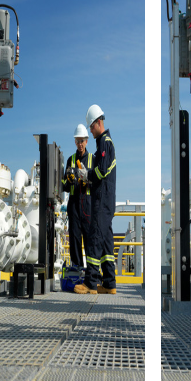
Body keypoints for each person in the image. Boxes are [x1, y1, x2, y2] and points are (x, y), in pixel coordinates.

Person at [84, 104, 118, 294]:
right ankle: (109, 283)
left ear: (99, 122)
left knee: (95, 237)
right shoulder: (104, 144)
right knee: (105, 242)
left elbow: (101, 171)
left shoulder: (105, 143)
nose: (90, 130)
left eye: (91, 126)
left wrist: (87, 175)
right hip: (106, 199)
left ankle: (90, 283)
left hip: (102, 200)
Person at [63, 124, 93, 292]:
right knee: (74, 241)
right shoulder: (70, 159)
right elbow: (64, 185)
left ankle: (89, 278)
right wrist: (69, 179)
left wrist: (86, 180)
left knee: (89, 242)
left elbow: (95, 183)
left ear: (86, 141)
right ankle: (76, 275)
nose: (79, 144)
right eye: (77, 141)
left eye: (82, 141)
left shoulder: (92, 159)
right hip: (74, 205)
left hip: (87, 205)